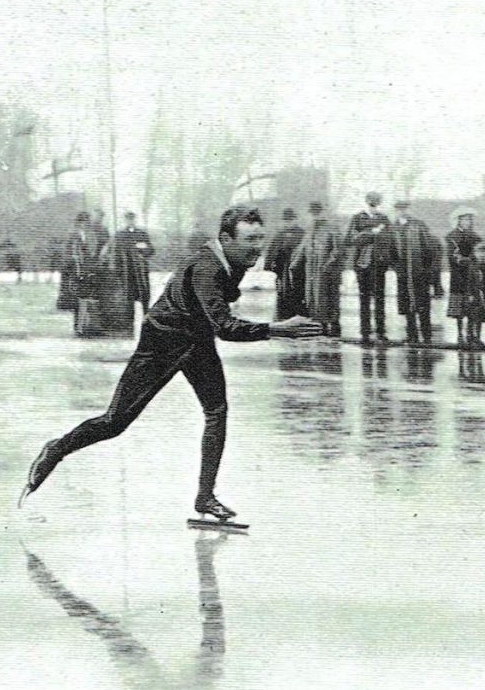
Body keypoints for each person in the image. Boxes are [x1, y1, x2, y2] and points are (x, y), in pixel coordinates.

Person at [19, 205, 323, 519]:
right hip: (162, 341)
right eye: (249, 240)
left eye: (260, 238)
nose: (257, 247)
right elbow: (226, 327)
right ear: (225, 238)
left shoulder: (234, 258)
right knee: (115, 423)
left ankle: (205, 497)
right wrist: (276, 329)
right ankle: (56, 449)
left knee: (217, 411)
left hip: (197, 339)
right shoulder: (207, 267)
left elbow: (219, 310)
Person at [346, 191, 393, 344]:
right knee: (364, 298)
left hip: (379, 264)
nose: (373, 205)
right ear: (367, 202)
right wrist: (371, 233)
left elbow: (389, 239)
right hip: (363, 264)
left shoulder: (384, 218)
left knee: (380, 298)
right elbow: (350, 240)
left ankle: (381, 331)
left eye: (376, 203)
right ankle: (365, 331)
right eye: (371, 202)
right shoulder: (357, 218)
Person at [290, 201, 343, 336]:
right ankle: (322, 325)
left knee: (330, 298)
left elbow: (338, 250)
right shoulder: (310, 229)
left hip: (329, 271)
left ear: (322, 213)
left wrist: (328, 266)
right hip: (313, 270)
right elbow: (302, 249)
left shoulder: (331, 228)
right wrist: (294, 265)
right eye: (312, 214)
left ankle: (334, 324)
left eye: (317, 213)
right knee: (315, 297)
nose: (314, 216)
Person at [390, 200, 435, 344]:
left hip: (419, 271)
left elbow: (429, 248)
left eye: (404, 209)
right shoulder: (393, 227)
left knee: (422, 303)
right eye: (399, 209)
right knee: (407, 304)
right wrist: (396, 267)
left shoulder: (418, 225)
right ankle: (412, 334)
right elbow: (391, 250)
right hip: (403, 272)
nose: (402, 212)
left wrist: (425, 268)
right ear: (396, 211)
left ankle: (426, 335)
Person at [445, 206, 482, 346]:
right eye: (464, 219)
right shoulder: (452, 237)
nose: (467, 222)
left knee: (473, 307)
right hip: (458, 276)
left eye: (469, 219)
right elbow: (453, 256)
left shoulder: (474, 236)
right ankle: (460, 334)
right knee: (459, 309)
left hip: (472, 276)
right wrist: (467, 260)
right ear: (458, 221)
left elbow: (480, 251)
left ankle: (471, 334)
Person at [263, 208, 308, 320]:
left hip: (299, 269)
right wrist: (267, 267)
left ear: (295, 220)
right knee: (283, 292)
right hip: (281, 268)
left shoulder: (302, 234)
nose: (288, 222)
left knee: (299, 291)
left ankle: (300, 314)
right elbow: (271, 252)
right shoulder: (279, 235)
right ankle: (285, 315)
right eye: (286, 220)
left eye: (291, 219)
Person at [113, 211, 156, 315]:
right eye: (128, 219)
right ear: (125, 220)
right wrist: (117, 269)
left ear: (134, 220)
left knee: (144, 292)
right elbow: (116, 254)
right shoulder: (119, 235)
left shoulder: (142, 234)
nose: (130, 221)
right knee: (128, 294)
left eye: (132, 219)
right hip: (126, 270)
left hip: (140, 269)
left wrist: (143, 251)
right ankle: (129, 318)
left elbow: (151, 250)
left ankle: (146, 315)